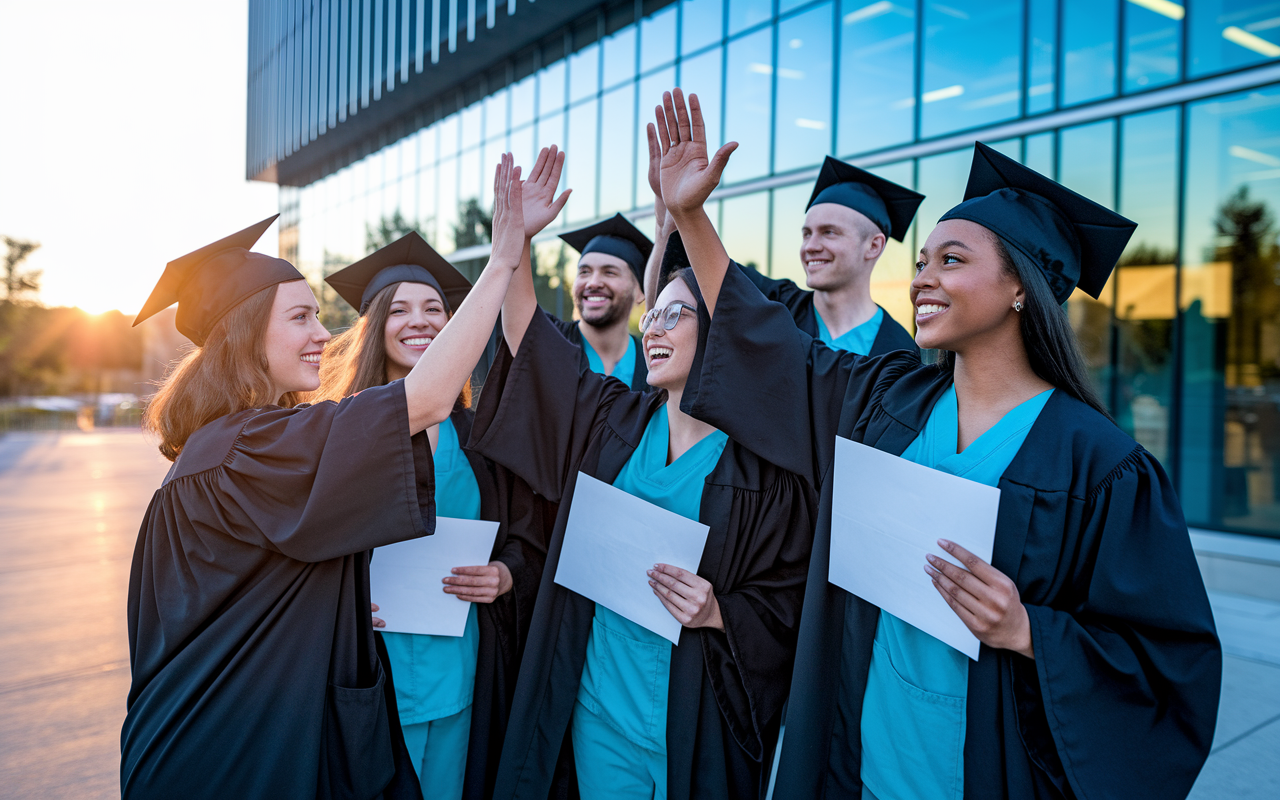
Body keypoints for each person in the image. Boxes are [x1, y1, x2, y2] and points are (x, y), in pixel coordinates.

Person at [655, 89, 1222, 800]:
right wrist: (689, 215)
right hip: (857, 765)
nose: (920, 278)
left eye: (950, 260)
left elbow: (1169, 670)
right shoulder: (888, 401)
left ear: (1023, 287)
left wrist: (1027, 631)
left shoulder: (1099, 467)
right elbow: (771, 349)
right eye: (920, 261)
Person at [120, 156, 526, 800]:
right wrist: (502, 260)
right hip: (230, 749)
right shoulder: (251, 447)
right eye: (301, 317)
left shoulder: (221, 448)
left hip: (216, 731)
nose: (322, 333)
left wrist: (329, 602)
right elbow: (422, 402)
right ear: (246, 335)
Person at [473, 146, 816, 800]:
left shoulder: (766, 470)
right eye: (650, 314)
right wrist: (513, 249)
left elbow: (791, 600)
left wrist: (720, 611)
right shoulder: (616, 417)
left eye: (674, 315)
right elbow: (534, 346)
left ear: (722, 334)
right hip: (602, 706)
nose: (653, 328)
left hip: (694, 719)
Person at [316, 230, 547, 800]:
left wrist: (506, 574)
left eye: (435, 309)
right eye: (398, 309)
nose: (419, 321)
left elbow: (526, 533)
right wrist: (334, 598)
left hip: (461, 668)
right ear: (373, 326)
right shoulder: (335, 428)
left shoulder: (480, 435)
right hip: (368, 669)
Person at [539, 147, 653, 390]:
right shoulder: (550, 345)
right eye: (584, 271)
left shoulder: (654, 364)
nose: (592, 282)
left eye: (610, 272)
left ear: (640, 291)